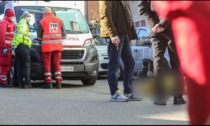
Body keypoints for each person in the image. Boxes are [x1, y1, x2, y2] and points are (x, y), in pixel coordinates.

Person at [152, 1, 210, 124]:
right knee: (176, 63)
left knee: (195, 71)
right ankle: (174, 97)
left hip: (186, 20)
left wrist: (159, 25)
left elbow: (171, 5)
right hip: (176, 23)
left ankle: (166, 97)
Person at [138, 0, 186, 105]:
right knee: (175, 61)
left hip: (156, 29)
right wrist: (162, 24)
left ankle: (160, 97)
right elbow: (175, 6)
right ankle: (178, 97)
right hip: (171, 27)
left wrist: (155, 25)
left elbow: (142, 9)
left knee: (158, 59)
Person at [100, 1, 141, 102]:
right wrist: (113, 34)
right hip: (116, 34)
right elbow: (105, 15)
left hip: (124, 34)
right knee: (114, 62)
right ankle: (114, 93)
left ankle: (128, 91)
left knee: (130, 62)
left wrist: (130, 35)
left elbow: (127, 15)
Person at [37, 7, 66, 89]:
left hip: (47, 47)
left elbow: (39, 36)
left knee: (47, 64)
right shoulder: (59, 20)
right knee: (57, 64)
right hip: (57, 47)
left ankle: (49, 82)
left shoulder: (43, 21)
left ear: (44, 13)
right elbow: (64, 35)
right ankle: (59, 82)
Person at [12, 11, 33, 89]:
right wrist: (15, 46)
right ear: (25, 16)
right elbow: (20, 36)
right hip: (22, 45)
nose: (30, 18)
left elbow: (16, 36)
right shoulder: (23, 24)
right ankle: (26, 83)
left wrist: (14, 47)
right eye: (29, 16)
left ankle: (20, 83)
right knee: (26, 64)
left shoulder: (21, 23)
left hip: (19, 46)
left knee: (20, 65)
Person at [0, 9, 16, 88]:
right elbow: (2, 36)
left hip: (9, 48)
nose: (13, 17)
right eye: (12, 16)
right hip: (5, 48)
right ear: (8, 15)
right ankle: (3, 82)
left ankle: (4, 81)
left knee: (7, 65)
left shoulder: (11, 23)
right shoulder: (4, 23)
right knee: (4, 65)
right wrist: (3, 47)